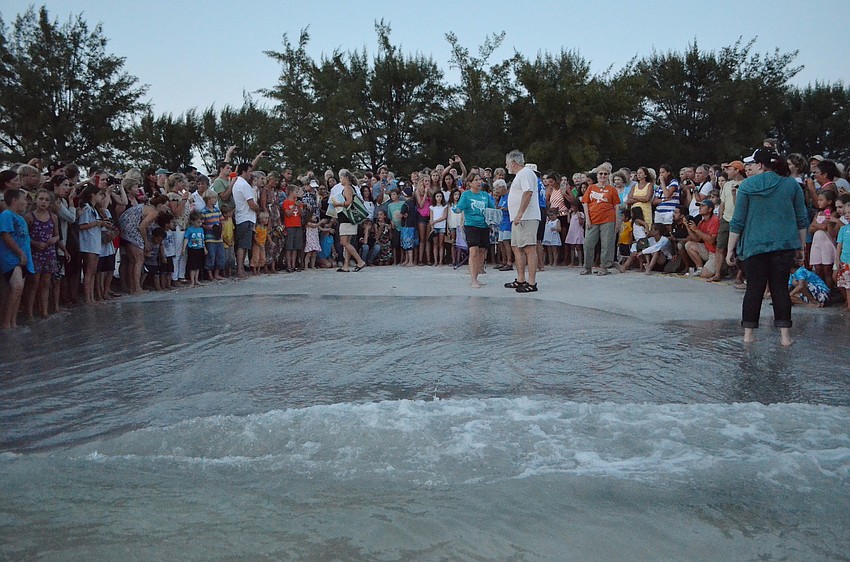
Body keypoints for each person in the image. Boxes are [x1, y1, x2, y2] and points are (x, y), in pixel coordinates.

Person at [727, 148, 809, 346]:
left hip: (755, 246)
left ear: (762, 165)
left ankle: (748, 335)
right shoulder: (791, 185)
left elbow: (738, 221)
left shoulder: (747, 186)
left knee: (754, 289)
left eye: (753, 164)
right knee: (780, 288)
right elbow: (801, 218)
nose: (750, 167)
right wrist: (801, 246)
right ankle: (785, 337)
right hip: (784, 244)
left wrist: (731, 248)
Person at [504, 150, 541, 292]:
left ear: (513, 162)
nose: (506, 166)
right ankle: (521, 279)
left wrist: (520, 213)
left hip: (527, 217)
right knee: (516, 247)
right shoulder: (520, 175)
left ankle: (531, 283)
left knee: (529, 248)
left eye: (507, 163)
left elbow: (528, 192)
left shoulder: (525, 173)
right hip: (518, 219)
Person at [24, 189, 61, 319]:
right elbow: (24, 236)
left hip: (49, 252)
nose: (43, 202)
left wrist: (53, 240)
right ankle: (29, 313)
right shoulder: (29, 216)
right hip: (35, 253)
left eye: (46, 200)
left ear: (50, 203)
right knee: (33, 283)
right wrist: (35, 243)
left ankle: (44, 311)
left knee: (46, 283)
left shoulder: (53, 217)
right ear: (36, 200)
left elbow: (57, 235)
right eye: (41, 199)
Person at [452, 172, 494, 288]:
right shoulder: (466, 195)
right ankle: (473, 279)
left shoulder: (485, 195)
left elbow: (492, 208)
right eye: (476, 180)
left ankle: (477, 275)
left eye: (479, 179)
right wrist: (456, 210)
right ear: (470, 183)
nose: (479, 182)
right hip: (471, 225)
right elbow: (460, 207)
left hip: (484, 226)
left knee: (481, 252)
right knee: (473, 251)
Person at [581, 166, 621, 275]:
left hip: (608, 219)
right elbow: (585, 203)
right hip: (593, 219)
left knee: (607, 244)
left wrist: (617, 221)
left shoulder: (612, 189)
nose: (603, 176)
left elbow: (616, 206)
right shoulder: (591, 188)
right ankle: (587, 266)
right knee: (588, 243)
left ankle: (604, 266)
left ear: (608, 176)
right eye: (601, 174)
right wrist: (587, 219)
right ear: (597, 176)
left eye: (605, 174)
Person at [330, 169, 368, 272]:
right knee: (347, 242)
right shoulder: (352, 188)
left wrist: (338, 204)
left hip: (346, 218)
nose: (340, 180)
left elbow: (348, 202)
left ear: (346, 178)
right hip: (349, 219)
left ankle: (360, 261)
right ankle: (346, 265)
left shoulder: (347, 188)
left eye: (341, 177)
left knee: (343, 242)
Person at [232, 163, 260, 279]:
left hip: (241, 216)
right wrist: (259, 209)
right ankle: (240, 269)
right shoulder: (244, 185)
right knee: (242, 246)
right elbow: (251, 204)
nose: (250, 174)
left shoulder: (237, 183)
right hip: (245, 217)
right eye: (249, 171)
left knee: (243, 245)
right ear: (244, 171)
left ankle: (241, 268)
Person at [684, 200, 720, 279]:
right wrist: (688, 228)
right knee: (689, 245)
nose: (700, 208)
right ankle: (699, 268)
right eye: (699, 206)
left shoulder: (715, 220)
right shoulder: (702, 222)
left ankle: (722, 268)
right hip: (707, 250)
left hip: (715, 253)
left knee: (704, 275)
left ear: (710, 209)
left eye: (703, 206)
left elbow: (711, 240)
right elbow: (697, 239)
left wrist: (696, 230)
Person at [182, 211, 206, 288]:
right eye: (198, 222)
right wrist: (183, 248)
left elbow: (202, 240)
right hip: (192, 249)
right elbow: (186, 239)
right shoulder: (189, 229)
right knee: (193, 266)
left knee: (198, 265)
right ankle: (192, 280)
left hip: (200, 248)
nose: (200, 224)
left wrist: (204, 248)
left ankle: (196, 279)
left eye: (200, 222)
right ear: (192, 221)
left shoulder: (201, 230)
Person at [834, 201, 850, 309]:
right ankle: (849, 304)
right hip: (845, 261)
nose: (847, 215)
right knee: (847, 286)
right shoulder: (843, 229)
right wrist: (837, 260)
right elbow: (839, 246)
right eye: (846, 213)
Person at [429, 191, 448, 266]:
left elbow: (444, 217)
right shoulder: (432, 207)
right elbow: (431, 218)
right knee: (435, 244)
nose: (439, 198)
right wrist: (432, 227)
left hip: (442, 227)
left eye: (440, 196)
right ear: (435, 197)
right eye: (437, 196)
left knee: (441, 244)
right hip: (435, 227)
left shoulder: (445, 206)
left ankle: (440, 261)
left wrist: (434, 221)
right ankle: (435, 261)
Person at [564, 199, 585, 266]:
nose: (572, 208)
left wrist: (579, 217)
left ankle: (580, 262)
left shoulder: (581, 213)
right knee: (572, 247)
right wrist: (568, 214)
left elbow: (581, 223)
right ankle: (572, 262)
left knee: (578, 247)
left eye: (573, 207)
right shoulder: (572, 214)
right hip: (572, 231)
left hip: (578, 231)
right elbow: (568, 222)